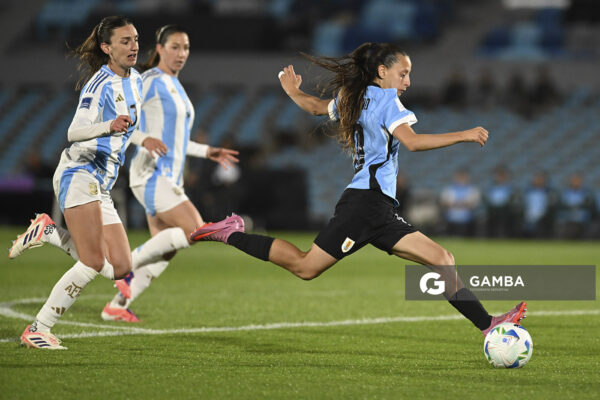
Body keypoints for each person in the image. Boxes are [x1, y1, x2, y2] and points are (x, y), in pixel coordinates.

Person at [189, 42, 526, 337]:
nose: (407, 81)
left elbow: (317, 107)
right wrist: (463, 135)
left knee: (442, 258)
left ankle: (489, 324)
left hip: (377, 208)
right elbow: (412, 142)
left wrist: (291, 91)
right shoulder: (387, 101)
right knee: (306, 267)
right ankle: (231, 232)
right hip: (365, 206)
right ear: (382, 70)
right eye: (403, 73)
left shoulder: (355, 96)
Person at [8, 16, 167, 349]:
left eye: (135, 38)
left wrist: (142, 139)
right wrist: (107, 125)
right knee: (93, 262)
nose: (134, 45)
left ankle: (48, 231)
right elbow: (74, 132)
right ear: (107, 48)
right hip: (79, 173)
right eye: (124, 41)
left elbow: (127, 124)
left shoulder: (136, 80)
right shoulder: (100, 85)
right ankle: (39, 328)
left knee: (121, 267)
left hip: (101, 183)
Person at [101, 25, 239, 321]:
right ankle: (122, 268)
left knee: (165, 250)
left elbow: (175, 140)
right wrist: (142, 139)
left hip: (168, 177)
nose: (181, 53)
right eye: (175, 47)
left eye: (186, 47)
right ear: (160, 49)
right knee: (195, 228)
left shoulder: (175, 85)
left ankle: (116, 307)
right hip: (151, 173)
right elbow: (119, 119)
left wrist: (207, 151)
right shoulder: (149, 79)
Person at [440, 168, 480, 237]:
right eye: (459, 177)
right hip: (451, 217)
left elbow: (473, 203)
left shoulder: (473, 190)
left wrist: (458, 203)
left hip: (467, 218)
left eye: (463, 177)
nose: (461, 179)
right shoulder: (449, 189)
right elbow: (444, 202)